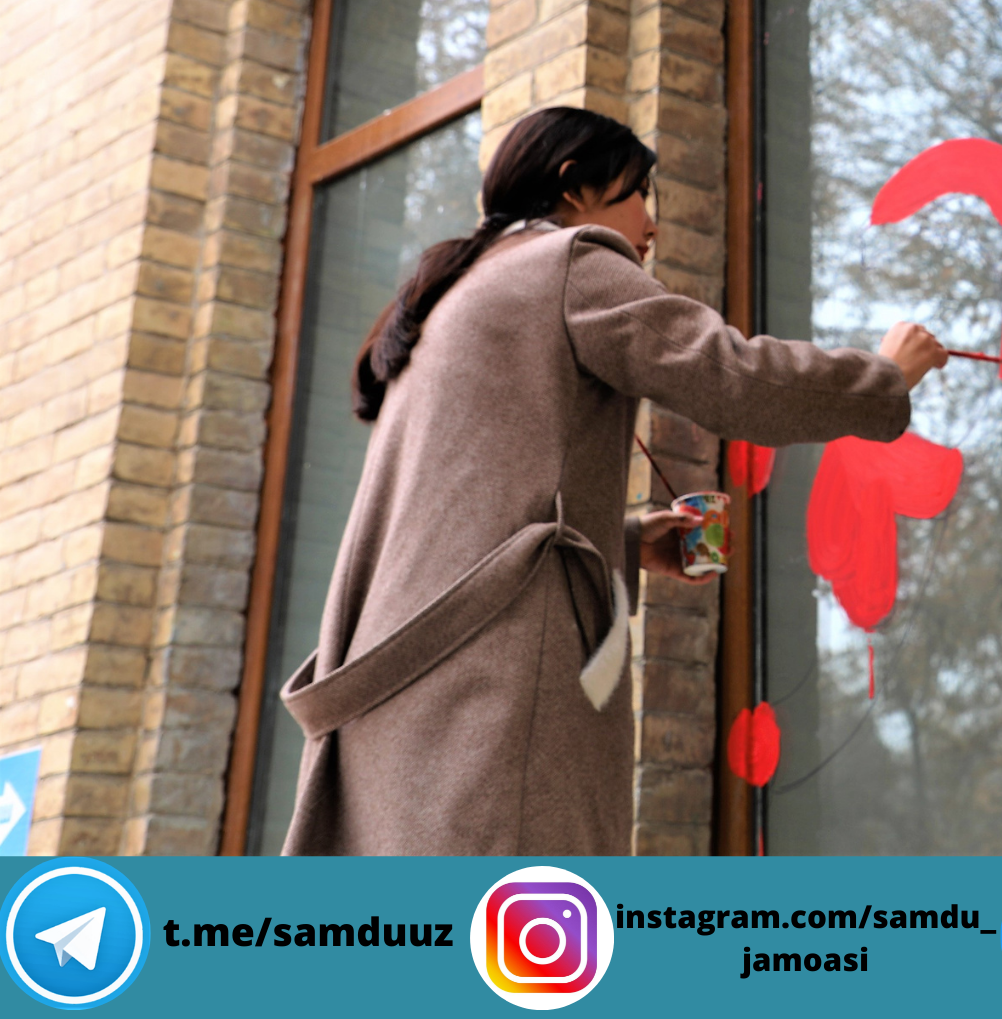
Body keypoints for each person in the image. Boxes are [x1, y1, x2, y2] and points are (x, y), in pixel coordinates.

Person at [279, 106, 946, 855]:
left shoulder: (454, 296)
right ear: (575, 187)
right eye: (639, 194)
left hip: (407, 703)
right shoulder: (565, 263)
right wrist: (883, 376)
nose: (650, 225)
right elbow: (731, 376)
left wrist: (621, 541)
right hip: (488, 699)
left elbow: (456, 517)